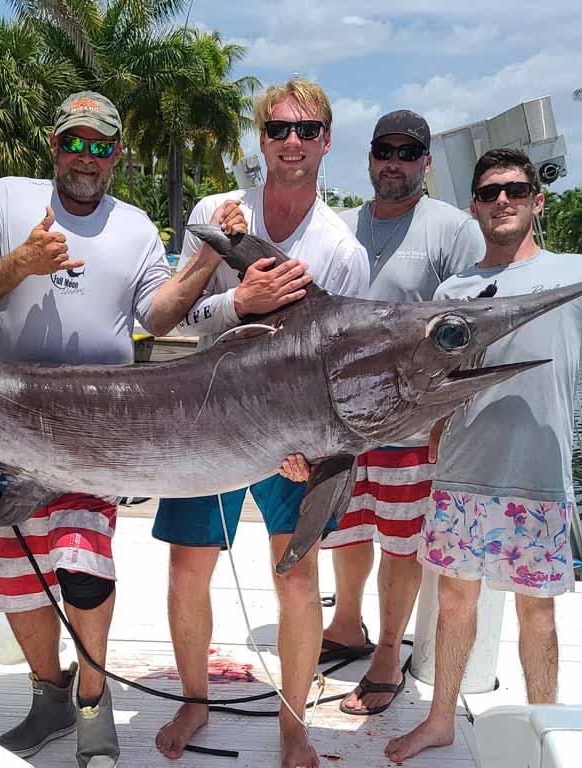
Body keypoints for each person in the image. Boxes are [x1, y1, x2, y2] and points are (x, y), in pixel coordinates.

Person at [0, 91, 243, 768]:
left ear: (116, 157)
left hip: (99, 430)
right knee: (18, 576)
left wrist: (204, 258)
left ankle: (91, 700)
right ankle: (50, 692)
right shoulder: (7, 199)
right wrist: (22, 263)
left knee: (82, 561)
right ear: (54, 145)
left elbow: (158, 318)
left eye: (99, 146)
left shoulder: (134, 227)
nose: (85, 157)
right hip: (10, 417)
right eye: (73, 142)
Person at [384, 148, 582, 762]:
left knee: (536, 614)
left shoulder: (578, 272)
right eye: (490, 193)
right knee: (455, 601)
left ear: (535, 200)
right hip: (460, 475)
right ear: (474, 206)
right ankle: (440, 718)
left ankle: (547, 730)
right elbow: (436, 386)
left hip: (538, 483)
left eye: (515, 190)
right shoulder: (454, 288)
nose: (503, 201)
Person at [150, 79, 369, 768]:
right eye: (278, 130)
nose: (293, 142)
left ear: (327, 140)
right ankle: (194, 698)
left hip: (292, 437)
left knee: (295, 577)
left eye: (306, 130)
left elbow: (348, 368)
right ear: (261, 140)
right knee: (189, 570)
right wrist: (235, 300)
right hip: (207, 421)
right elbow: (163, 320)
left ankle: (295, 722)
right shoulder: (219, 216)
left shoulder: (342, 248)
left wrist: (323, 450)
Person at [313, 110, 484, 717]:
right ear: (369, 156)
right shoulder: (342, 224)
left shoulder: (454, 230)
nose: (395, 162)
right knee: (350, 526)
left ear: (426, 162)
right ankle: (348, 626)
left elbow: (472, 327)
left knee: (401, 538)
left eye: (408, 153)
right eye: (385, 150)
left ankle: (388, 651)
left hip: (413, 419)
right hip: (341, 419)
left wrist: (446, 412)